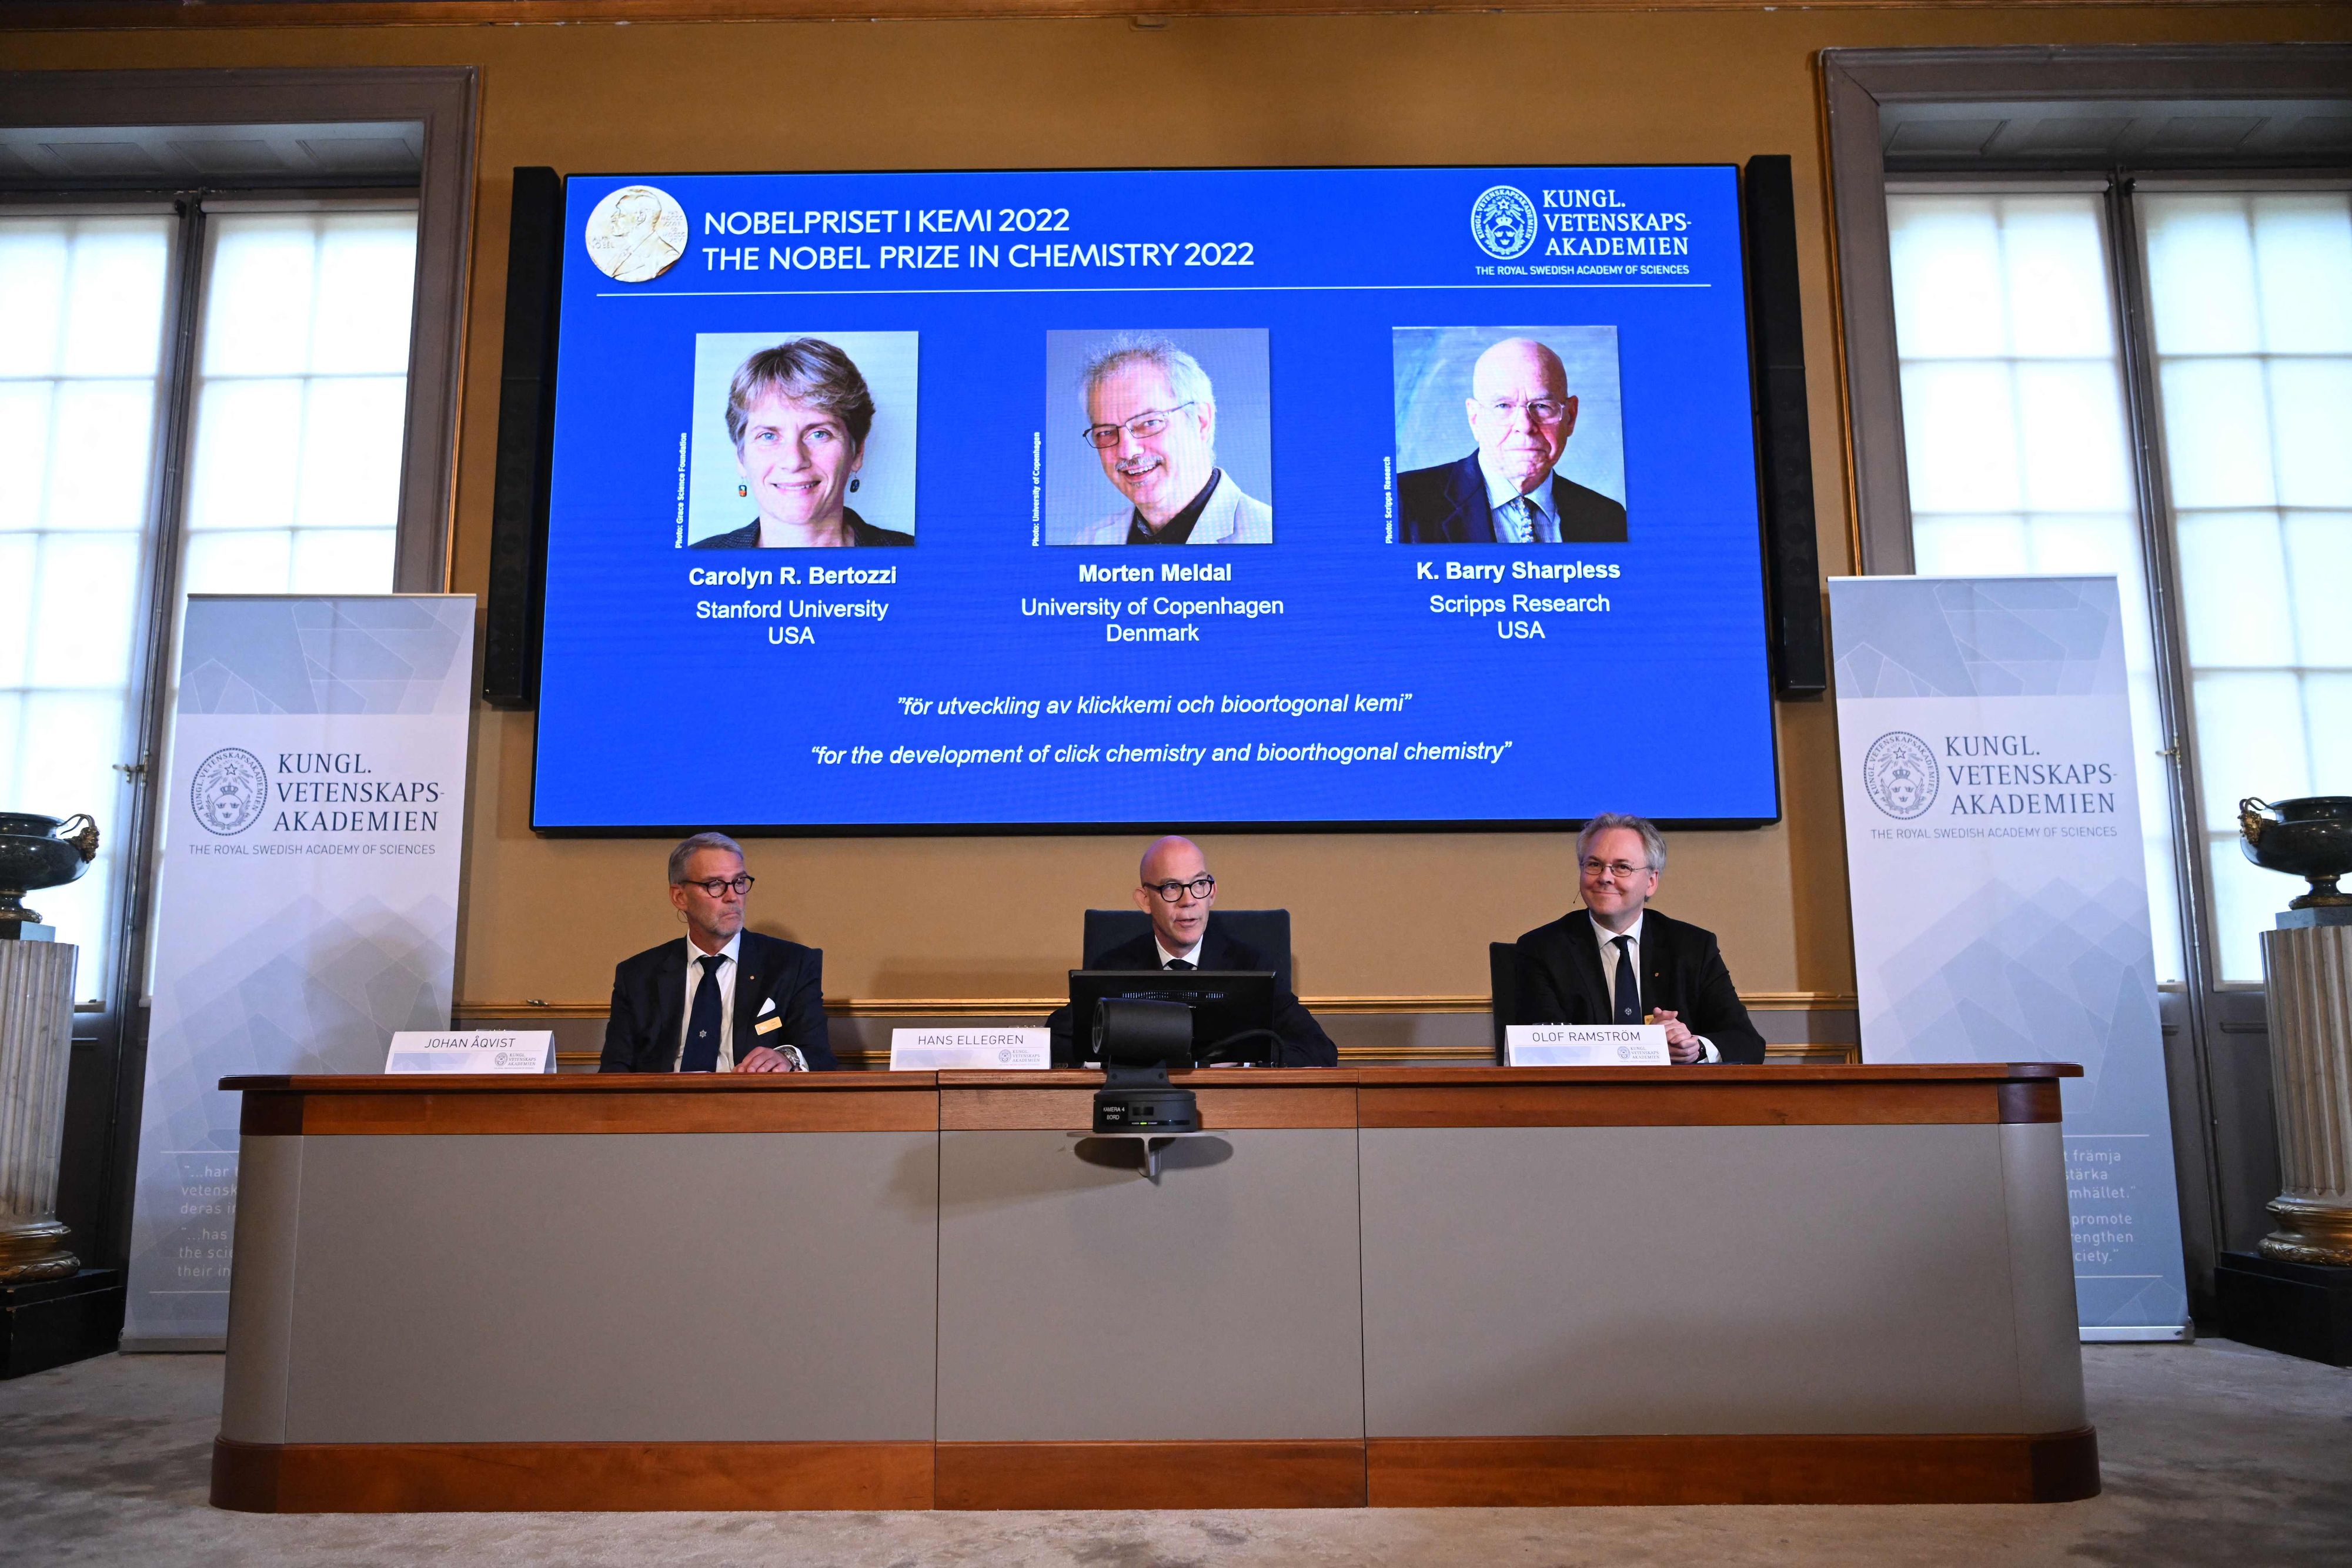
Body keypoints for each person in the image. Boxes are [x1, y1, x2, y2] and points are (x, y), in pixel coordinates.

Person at [1054, 835, 1337, 1066]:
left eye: (1199, 884)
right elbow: (1057, 1041)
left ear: (1212, 893)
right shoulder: (1114, 967)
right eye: (1172, 887)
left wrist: (1249, 1059)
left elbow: (1319, 1050)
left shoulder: (1251, 966)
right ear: (1145, 901)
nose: (1188, 901)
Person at [1513, 813, 1765, 1064]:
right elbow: (1540, 1050)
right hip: (1581, 1097)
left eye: (1622, 867)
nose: (1605, 877)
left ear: (1651, 882)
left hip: (1674, 1098)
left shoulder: (1693, 947)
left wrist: (1694, 1047)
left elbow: (1747, 1042)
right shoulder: (1541, 949)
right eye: (1594, 865)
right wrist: (1648, 1044)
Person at [599, 832, 837, 1072]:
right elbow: (614, 1071)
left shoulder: (792, 965)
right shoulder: (638, 975)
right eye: (715, 885)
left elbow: (819, 1056)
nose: (733, 896)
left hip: (752, 1103)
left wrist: (787, 1058)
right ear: (680, 897)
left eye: (739, 882)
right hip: (663, 1105)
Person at [1396, 336, 1628, 544]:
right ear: (1475, 418)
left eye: (1542, 406)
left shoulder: (1609, 519)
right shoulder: (1403, 505)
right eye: (1503, 406)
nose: (1525, 426)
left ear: (1570, 417)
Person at [694, 339, 914, 549]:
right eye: (769, 436)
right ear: (741, 458)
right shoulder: (694, 563)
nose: (794, 461)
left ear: (857, 452)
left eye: (819, 434)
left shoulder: (914, 557)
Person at [1071, 337, 1272, 545]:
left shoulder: (1269, 535)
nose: (1127, 451)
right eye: (1106, 432)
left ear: (1201, 422)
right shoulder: (1089, 542)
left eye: (1149, 423)